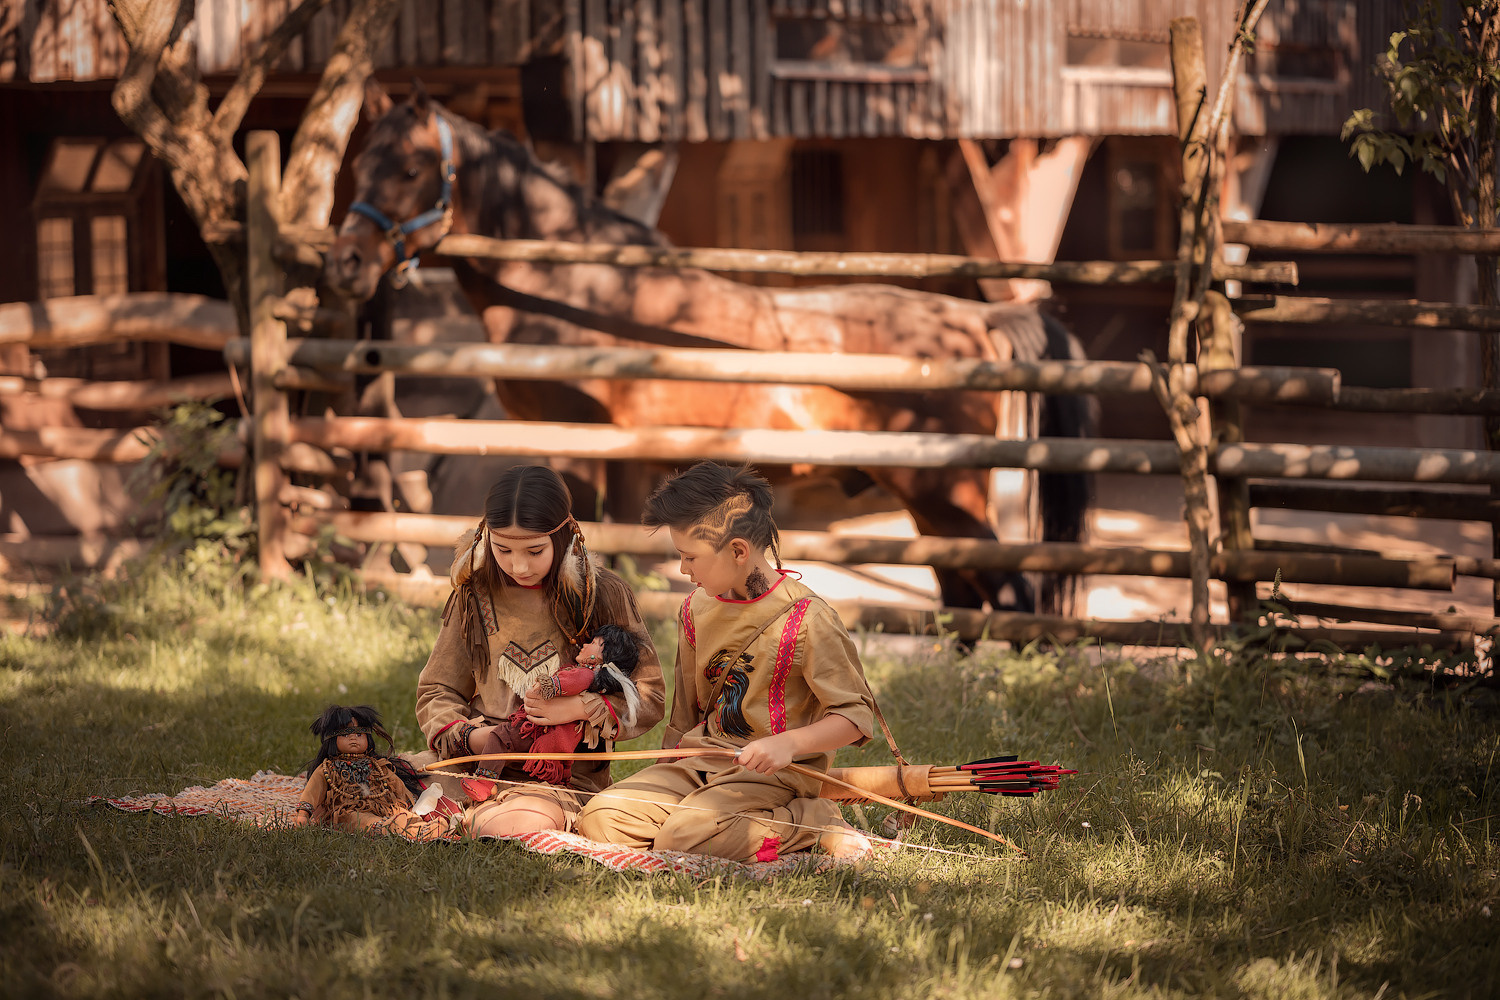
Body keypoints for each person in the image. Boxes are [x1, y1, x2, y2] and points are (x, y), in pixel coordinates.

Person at [575, 462, 875, 861]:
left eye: (690, 557)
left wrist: (789, 744)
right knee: (601, 819)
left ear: (737, 550)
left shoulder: (808, 619)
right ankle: (700, 823)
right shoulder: (696, 608)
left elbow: (855, 718)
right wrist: (666, 768)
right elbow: (685, 716)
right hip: (702, 761)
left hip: (773, 776)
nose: (683, 569)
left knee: (684, 837)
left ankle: (812, 821)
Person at [415, 465, 665, 837]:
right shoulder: (473, 594)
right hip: (475, 760)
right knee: (372, 782)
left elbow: (650, 695)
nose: (519, 566)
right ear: (485, 538)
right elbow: (437, 690)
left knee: (521, 821)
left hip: (561, 776)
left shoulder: (603, 595)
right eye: (503, 549)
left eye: (534, 551)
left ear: (564, 536)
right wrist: (472, 738)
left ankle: (465, 818)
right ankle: (467, 812)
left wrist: (581, 708)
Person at [467, 622, 644, 787]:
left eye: (594, 642)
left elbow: (566, 683)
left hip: (539, 731)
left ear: (600, 657)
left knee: (501, 737)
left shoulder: (585, 674)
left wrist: (547, 685)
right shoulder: (584, 674)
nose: (584, 644)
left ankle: (484, 782)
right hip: (548, 734)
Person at [293, 704, 449, 839]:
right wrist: (303, 814)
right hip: (348, 812)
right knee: (363, 821)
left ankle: (423, 828)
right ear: (333, 740)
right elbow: (313, 790)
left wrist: (409, 804)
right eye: (346, 734)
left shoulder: (377, 766)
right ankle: (391, 829)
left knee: (402, 815)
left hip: (383, 807)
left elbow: (395, 783)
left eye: (359, 734)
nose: (353, 738)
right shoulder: (328, 769)